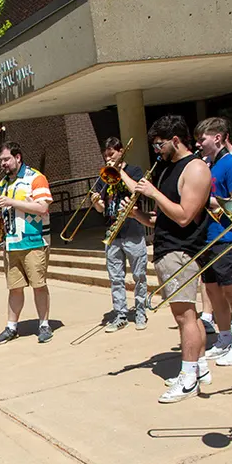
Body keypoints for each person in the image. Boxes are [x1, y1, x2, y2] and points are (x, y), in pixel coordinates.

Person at [122, 115, 212, 403]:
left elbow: (185, 216)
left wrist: (152, 192)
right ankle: (198, 367)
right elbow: (163, 219)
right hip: (166, 247)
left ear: (176, 140)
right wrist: (137, 214)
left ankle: (188, 377)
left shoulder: (195, 168)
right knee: (187, 315)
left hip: (182, 251)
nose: (156, 150)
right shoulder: (167, 168)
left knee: (185, 317)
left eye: (159, 144)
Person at [195, 117, 232, 367]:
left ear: (217, 137)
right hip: (208, 238)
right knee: (212, 291)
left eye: (202, 139)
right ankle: (224, 338)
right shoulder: (208, 166)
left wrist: (201, 199)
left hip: (229, 237)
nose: (198, 144)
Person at [0, 141, 55, 345]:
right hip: (11, 242)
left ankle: (44, 324)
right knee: (14, 287)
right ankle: (11, 327)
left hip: (34, 241)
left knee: (38, 285)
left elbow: (43, 208)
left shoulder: (36, 178)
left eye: (6, 159)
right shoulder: (3, 184)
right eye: (1, 161)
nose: (3, 164)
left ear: (18, 157)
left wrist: (11, 202)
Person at [92, 137, 148, 332]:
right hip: (112, 232)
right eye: (106, 155)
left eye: (112, 154)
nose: (108, 158)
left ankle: (141, 311)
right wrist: (96, 202)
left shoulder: (134, 171)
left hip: (132, 230)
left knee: (139, 275)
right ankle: (120, 314)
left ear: (120, 151)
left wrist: (119, 171)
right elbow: (100, 208)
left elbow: (136, 190)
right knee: (116, 278)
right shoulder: (102, 177)